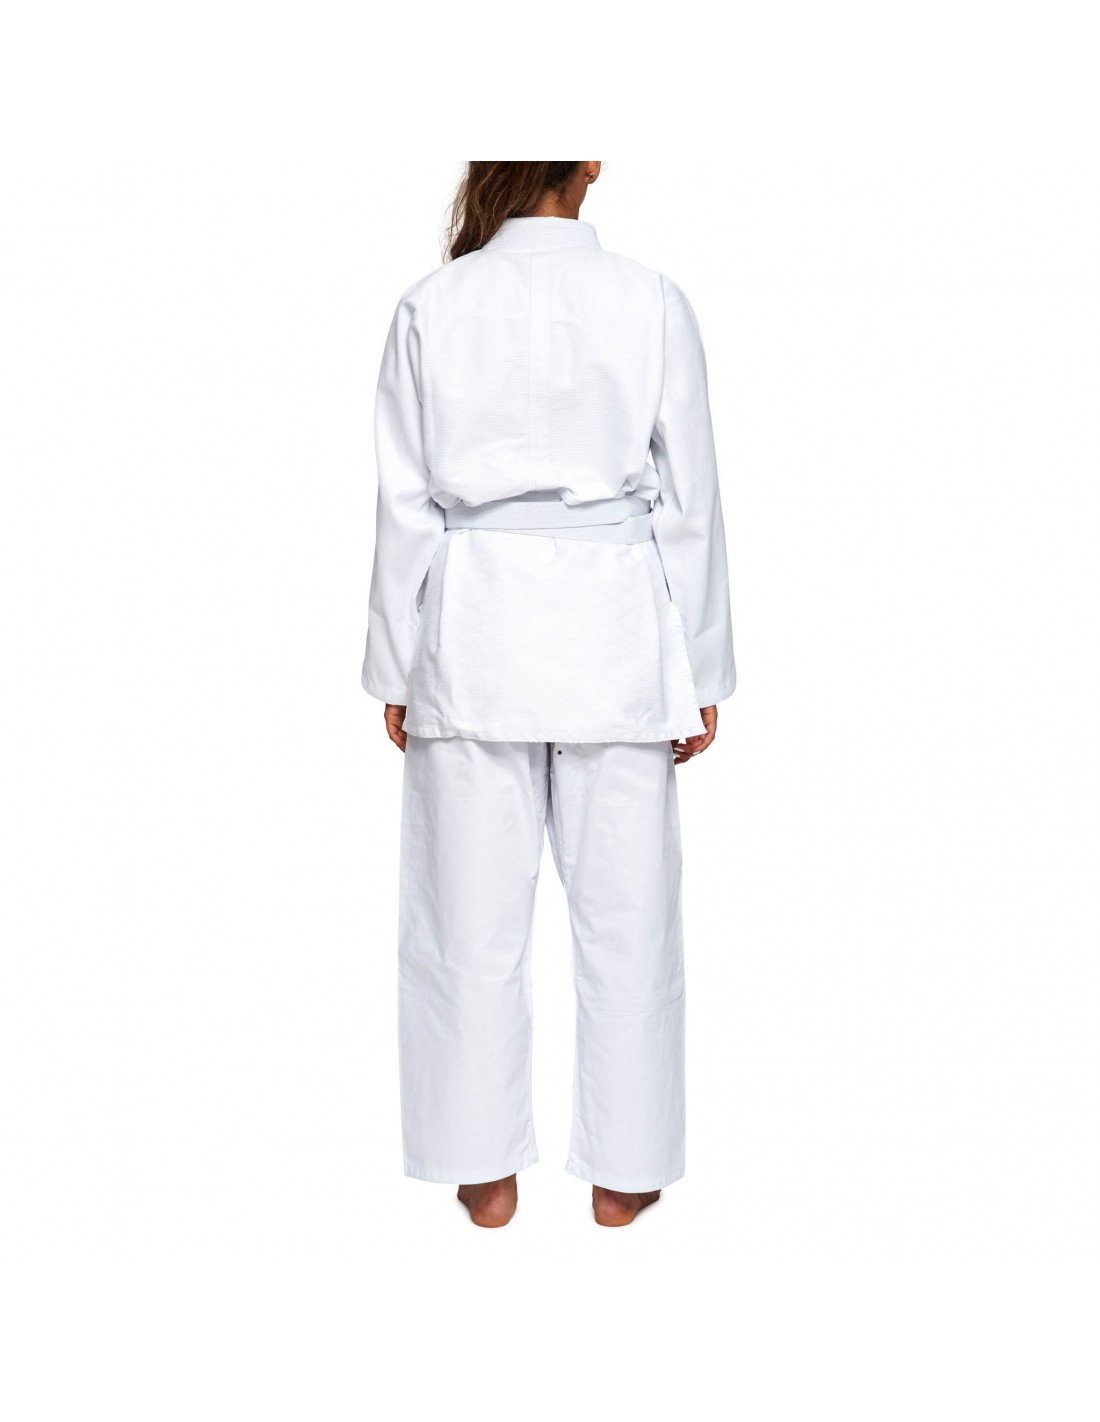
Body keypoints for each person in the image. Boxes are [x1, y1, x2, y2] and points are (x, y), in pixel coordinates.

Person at [362, 161, 736, 1228]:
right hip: (613, 634)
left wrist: (393, 661)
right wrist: (701, 668)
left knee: (463, 922)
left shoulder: (433, 303)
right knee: (630, 918)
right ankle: (626, 1171)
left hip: (472, 630)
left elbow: (403, 501)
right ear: (590, 165)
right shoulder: (649, 300)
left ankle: (480, 1171)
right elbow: (691, 499)